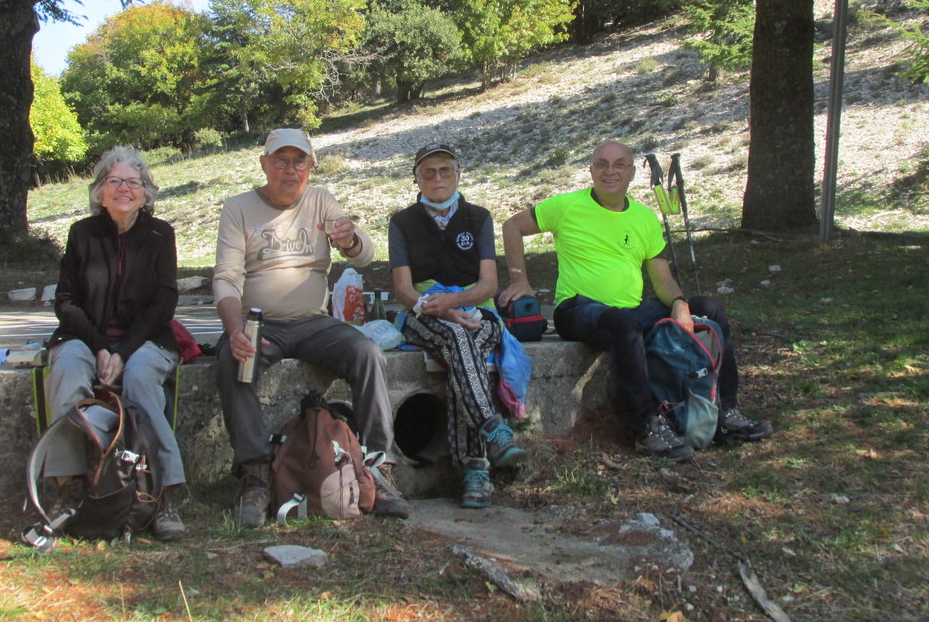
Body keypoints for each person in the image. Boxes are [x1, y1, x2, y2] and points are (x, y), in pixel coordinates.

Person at [501, 140, 772, 462]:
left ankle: (726, 412)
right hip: (577, 309)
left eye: (619, 164)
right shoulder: (566, 206)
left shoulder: (644, 218)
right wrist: (520, 279)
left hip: (630, 310)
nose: (610, 171)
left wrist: (680, 304)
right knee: (624, 324)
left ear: (631, 172)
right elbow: (512, 226)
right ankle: (646, 427)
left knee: (709, 308)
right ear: (591, 171)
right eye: (601, 164)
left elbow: (662, 279)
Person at [213, 128, 408, 526]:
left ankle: (378, 467)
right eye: (280, 161)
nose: (290, 170)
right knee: (232, 363)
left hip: (314, 323)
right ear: (264, 165)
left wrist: (349, 238)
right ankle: (254, 476)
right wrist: (234, 330)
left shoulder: (320, 200)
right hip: (260, 323)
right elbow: (226, 277)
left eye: (299, 161)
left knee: (367, 353)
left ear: (310, 167)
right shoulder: (239, 208)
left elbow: (366, 253)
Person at [44, 146, 186, 541]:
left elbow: (164, 302)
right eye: (114, 181)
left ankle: (164, 492)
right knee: (69, 372)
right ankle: (67, 489)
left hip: (145, 340)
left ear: (146, 192)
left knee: (141, 381)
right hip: (84, 337)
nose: (124, 189)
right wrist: (101, 346)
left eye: (133, 182)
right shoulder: (81, 235)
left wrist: (122, 351)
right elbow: (66, 301)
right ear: (100, 192)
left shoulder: (161, 235)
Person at [389, 143, 526, 509]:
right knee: (455, 336)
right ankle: (489, 438)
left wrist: (455, 303)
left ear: (458, 175)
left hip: (477, 313)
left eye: (445, 170)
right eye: (428, 172)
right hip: (424, 313)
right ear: (416, 179)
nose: (437, 178)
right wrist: (436, 307)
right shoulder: (401, 222)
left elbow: (487, 285)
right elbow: (403, 288)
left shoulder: (478, 217)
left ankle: (476, 466)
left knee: (460, 344)